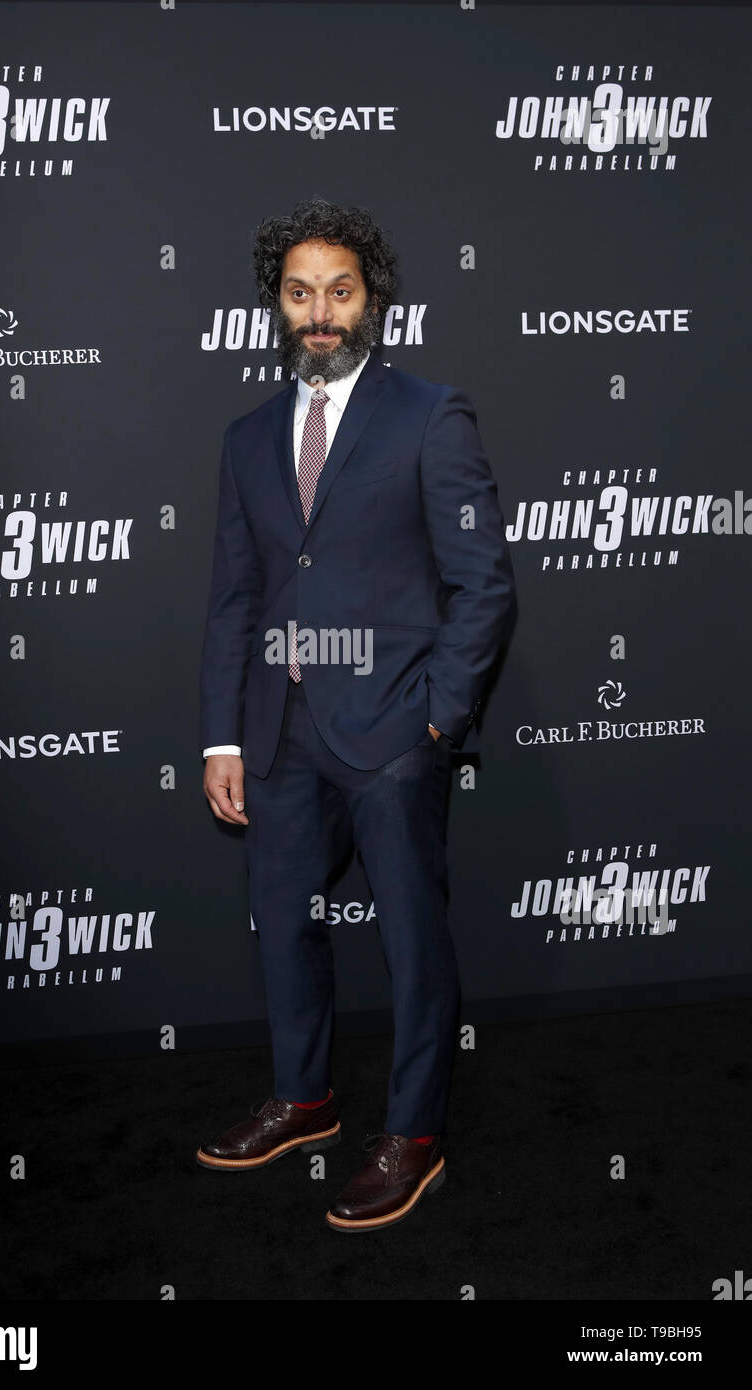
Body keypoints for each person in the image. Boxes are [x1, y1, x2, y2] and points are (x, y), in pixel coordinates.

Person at [197, 196, 516, 1232]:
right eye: (299, 292)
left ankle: (413, 1133)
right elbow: (235, 598)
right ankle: (305, 1098)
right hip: (278, 732)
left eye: (339, 290)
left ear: (369, 299)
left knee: (412, 939)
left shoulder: (429, 411)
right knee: (284, 926)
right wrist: (222, 733)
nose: (319, 310)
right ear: (274, 305)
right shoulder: (246, 439)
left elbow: (483, 585)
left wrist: (436, 718)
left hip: (391, 732)